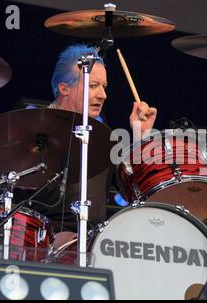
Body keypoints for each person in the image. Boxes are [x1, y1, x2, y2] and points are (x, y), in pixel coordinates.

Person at [40, 44, 158, 249]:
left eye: (104, 86)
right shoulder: (35, 132)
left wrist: (141, 135)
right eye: (93, 85)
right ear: (64, 88)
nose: (103, 95)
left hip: (96, 244)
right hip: (43, 242)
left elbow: (136, 190)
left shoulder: (105, 137)